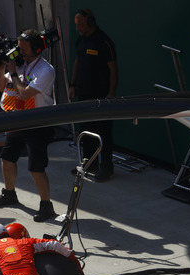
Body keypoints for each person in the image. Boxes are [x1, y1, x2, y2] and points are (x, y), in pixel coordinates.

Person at [0, 29, 58, 222]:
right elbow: (1, 87)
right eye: (18, 48)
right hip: (17, 118)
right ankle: (9, 193)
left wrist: (13, 73)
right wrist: (2, 68)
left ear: (36, 49)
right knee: (7, 158)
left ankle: (46, 206)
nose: (20, 52)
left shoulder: (46, 70)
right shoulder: (18, 64)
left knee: (36, 167)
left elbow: (25, 93)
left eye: (24, 49)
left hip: (38, 122)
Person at [69, 8, 118, 182]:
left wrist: (111, 93)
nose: (78, 28)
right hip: (84, 94)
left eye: (81, 24)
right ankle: (89, 165)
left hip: (101, 96)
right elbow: (77, 61)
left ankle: (107, 168)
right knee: (86, 132)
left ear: (90, 22)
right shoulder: (81, 40)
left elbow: (113, 68)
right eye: (76, 25)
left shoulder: (103, 42)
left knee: (104, 133)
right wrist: (72, 84)